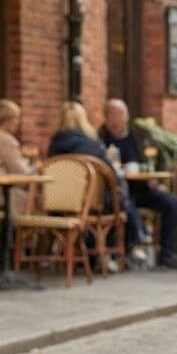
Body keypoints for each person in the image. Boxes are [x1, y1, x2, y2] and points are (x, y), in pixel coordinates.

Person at [47, 100, 148, 265]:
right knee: (121, 201)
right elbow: (111, 174)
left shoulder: (54, 146)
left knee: (118, 199)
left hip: (57, 206)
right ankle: (130, 246)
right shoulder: (91, 145)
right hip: (91, 205)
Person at [99, 99, 177, 269]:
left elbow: (159, 160)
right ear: (105, 118)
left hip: (144, 188)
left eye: (119, 116)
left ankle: (168, 254)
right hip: (117, 191)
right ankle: (132, 249)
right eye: (111, 116)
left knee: (172, 203)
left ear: (126, 116)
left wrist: (156, 180)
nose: (116, 121)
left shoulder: (141, 134)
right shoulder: (99, 139)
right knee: (125, 205)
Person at [0, 98, 35, 222]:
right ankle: (23, 238)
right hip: (4, 196)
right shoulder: (6, 140)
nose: (18, 122)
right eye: (16, 118)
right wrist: (36, 166)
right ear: (8, 120)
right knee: (38, 198)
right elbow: (22, 174)